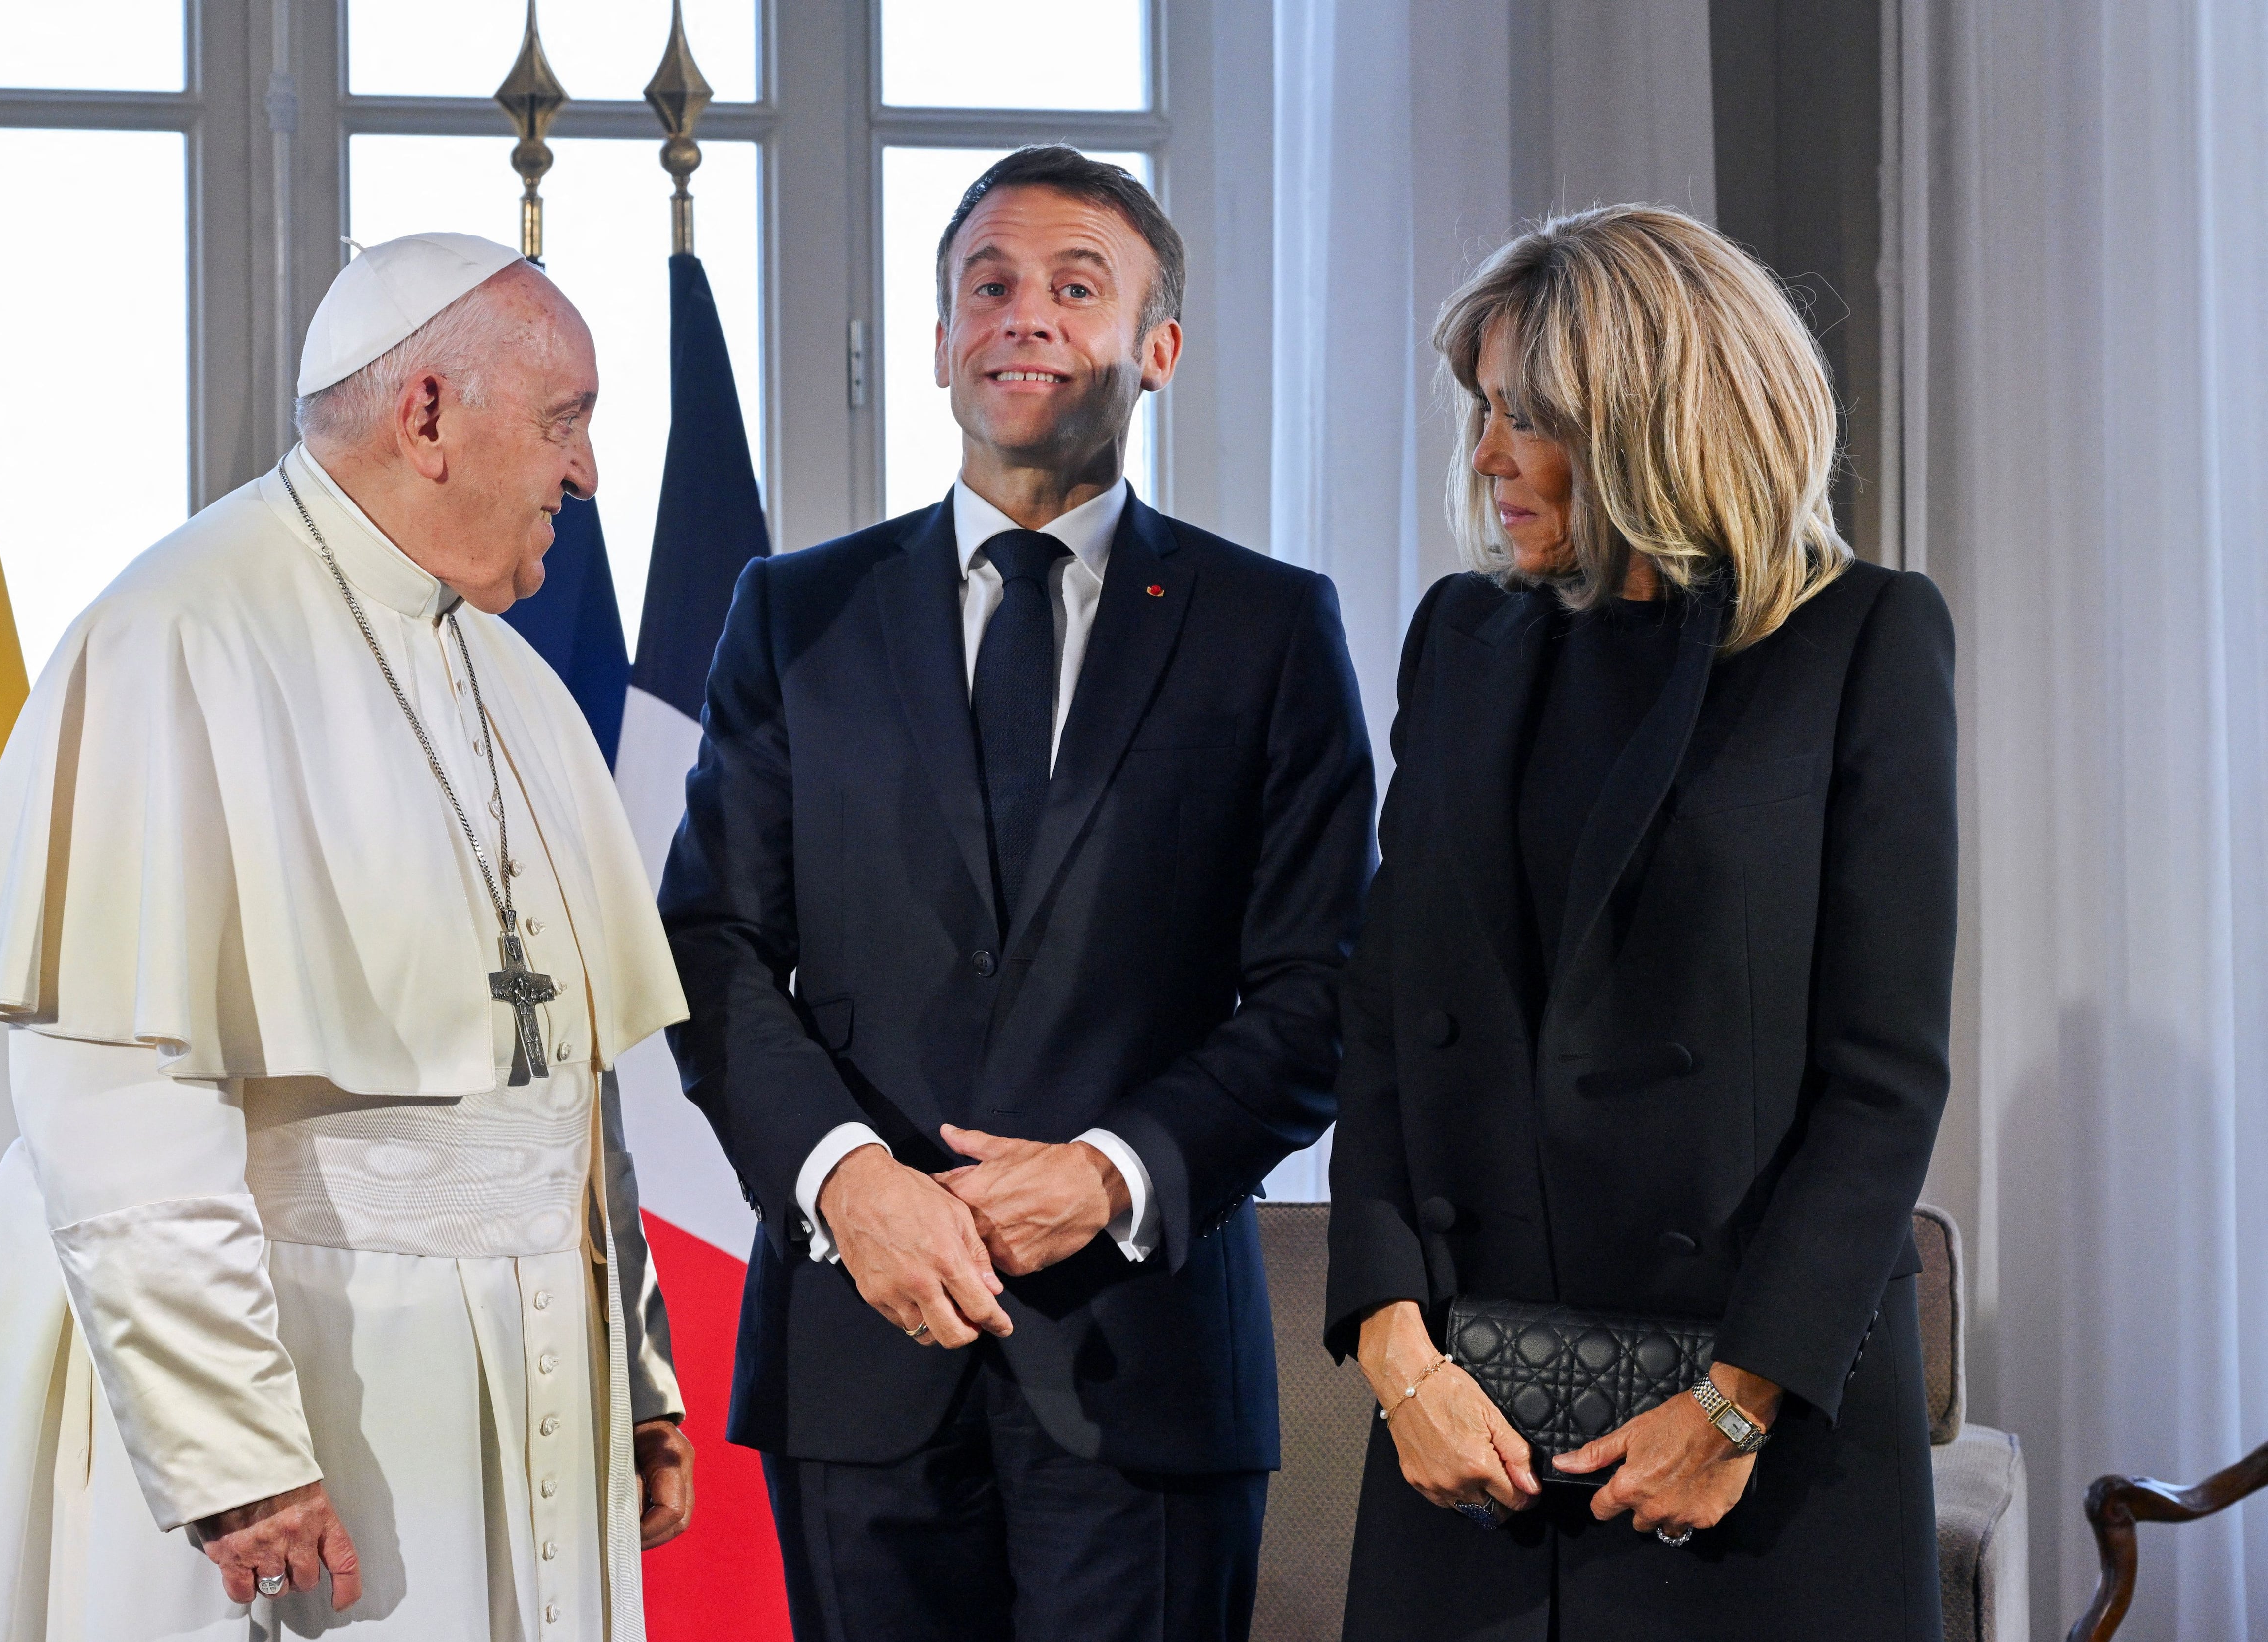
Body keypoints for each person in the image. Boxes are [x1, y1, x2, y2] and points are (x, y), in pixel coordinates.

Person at [0, 232, 696, 1642]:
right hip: (301, 1368)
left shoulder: (512, 678)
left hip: (520, 1369)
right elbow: (112, 1102)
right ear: (425, 417)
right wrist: (234, 1457)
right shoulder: (176, 635)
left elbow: (563, 1081)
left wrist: (632, 1368)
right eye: (564, 421)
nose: (586, 473)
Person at [659, 146, 1374, 1641]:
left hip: (1146, 1371)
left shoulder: (1270, 630)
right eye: (988, 285)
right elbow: (714, 939)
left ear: (1156, 349)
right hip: (857, 1358)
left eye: (1075, 286)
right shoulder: (793, 613)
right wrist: (851, 1181)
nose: (1023, 316)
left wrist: (1112, 1171)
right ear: (938, 344)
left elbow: (1325, 990)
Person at [1323, 204, 1955, 1640]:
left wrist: (1734, 1412)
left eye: (1525, 418)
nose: (1485, 456)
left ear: (1652, 417)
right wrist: (1394, 1352)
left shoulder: (1864, 639)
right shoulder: (1460, 640)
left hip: (1756, 1447)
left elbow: (1886, 1076)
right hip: (1469, 1435)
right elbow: (1381, 1023)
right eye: (1484, 411)